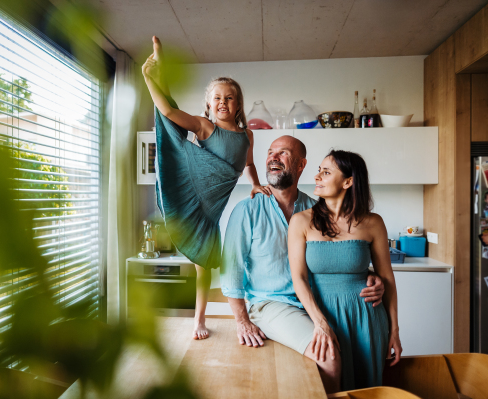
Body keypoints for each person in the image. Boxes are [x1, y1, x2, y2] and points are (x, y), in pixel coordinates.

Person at [220, 136, 385, 393]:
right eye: (270, 152)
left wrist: (372, 274)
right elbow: (231, 272)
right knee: (329, 357)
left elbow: (338, 252)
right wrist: (242, 320)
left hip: (314, 303)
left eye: (283, 153)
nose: (273, 157)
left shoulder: (315, 208)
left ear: (301, 165)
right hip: (273, 304)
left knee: (356, 354)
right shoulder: (247, 210)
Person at [142, 37, 270, 340]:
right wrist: (148, 78)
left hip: (212, 212)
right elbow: (169, 113)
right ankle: (198, 321)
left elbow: (248, 163)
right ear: (209, 105)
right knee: (200, 265)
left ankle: (206, 319)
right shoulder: (203, 126)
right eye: (217, 98)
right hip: (192, 197)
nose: (223, 102)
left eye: (229, 98)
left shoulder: (247, 136)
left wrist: (254, 184)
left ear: (238, 104)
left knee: (204, 268)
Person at [288, 150, 402, 392]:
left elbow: (387, 279)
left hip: (366, 318)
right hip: (320, 315)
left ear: (348, 182)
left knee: (368, 389)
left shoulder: (373, 222)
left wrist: (394, 330)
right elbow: (298, 278)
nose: (317, 176)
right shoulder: (301, 221)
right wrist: (320, 323)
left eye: (326, 172)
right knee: (324, 388)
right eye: (319, 170)